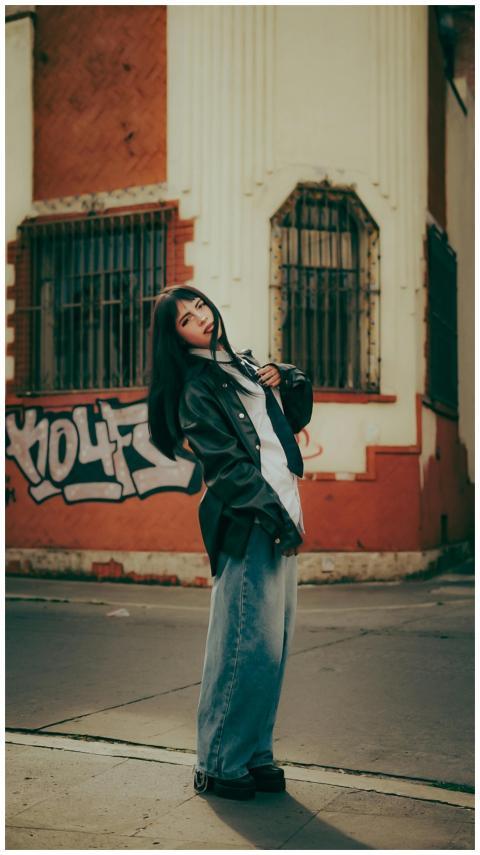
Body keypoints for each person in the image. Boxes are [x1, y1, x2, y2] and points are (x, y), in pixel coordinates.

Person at [147, 283, 313, 801]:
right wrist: (275, 520)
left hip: (281, 512)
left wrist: (290, 377)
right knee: (244, 648)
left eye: (200, 306)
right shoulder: (198, 384)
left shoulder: (240, 366)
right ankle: (219, 761)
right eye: (184, 319)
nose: (200, 317)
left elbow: (291, 423)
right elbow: (228, 469)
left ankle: (255, 753)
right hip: (250, 523)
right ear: (175, 338)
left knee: (273, 649)